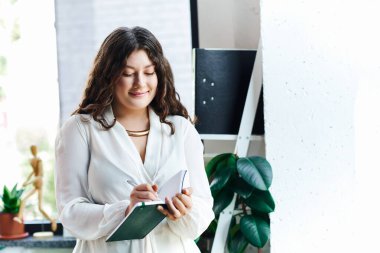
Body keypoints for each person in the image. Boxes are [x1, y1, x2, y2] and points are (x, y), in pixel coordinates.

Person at [55, 26, 214, 253]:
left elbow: (204, 210)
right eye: (128, 74)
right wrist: (124, 210)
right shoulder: (80, 130)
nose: (140, 83)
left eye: (149, 72)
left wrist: (185, 211)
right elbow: (70, 212)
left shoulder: (181, 129)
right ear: (108, 75)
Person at [14, 145, 57, 232]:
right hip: (35, 183)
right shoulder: (33, 160)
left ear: (36, 150)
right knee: (24, 200)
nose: (33, 151)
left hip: (39, 183)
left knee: (40, 207)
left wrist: (29, 182)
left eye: (34, 149)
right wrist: (27, 180)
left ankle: (52, 220)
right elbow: (33, 172)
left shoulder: (39, 160)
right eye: (32, 150)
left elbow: (40, 175)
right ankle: (19, 217)